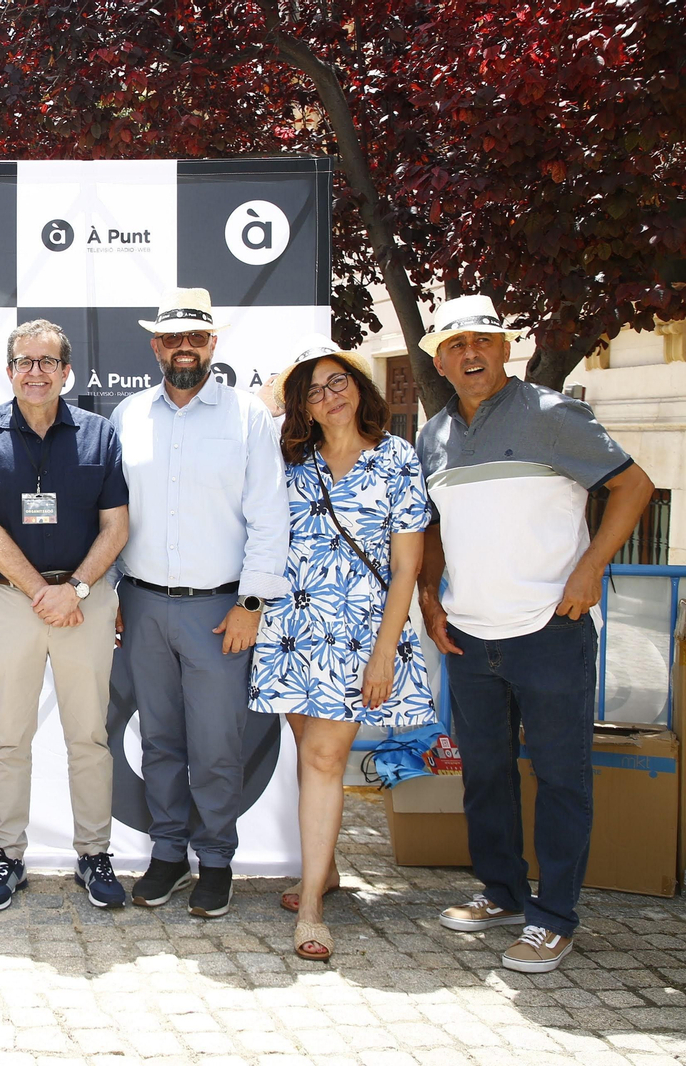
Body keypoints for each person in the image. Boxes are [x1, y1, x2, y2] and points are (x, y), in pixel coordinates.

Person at [417, 295, 654, 973]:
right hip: (469, 635)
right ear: (440, 361)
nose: (470, 354)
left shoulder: (553, 414)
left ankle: (554, 918)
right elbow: (432, 526)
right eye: (456, 345)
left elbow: (635, 487)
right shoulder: (432, 437)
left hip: (552, 628)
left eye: (482, 341)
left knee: (560, 778)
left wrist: (590, 568)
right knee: (485, 776)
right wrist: (430, 597)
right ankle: (502, 893)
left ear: (505, 348)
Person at [249, 335, 434, 961]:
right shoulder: (287, 459)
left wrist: (384, 653)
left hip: (359, 635)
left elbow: (406, 568)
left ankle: (311, 907)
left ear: (360, 387)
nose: (329, 396)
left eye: (339, 381)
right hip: (293, 629)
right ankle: (324, 869)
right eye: (313, 389)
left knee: (326, 758)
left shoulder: (397, 458)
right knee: (312, 755)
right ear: (300, 404)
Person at [112, 288, 290, 919]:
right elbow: (113, 515)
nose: (184, 347)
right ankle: (167, 854)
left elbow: (269, 515)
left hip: (221, 612)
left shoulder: (248, 417)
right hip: (142, 604)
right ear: (155, 346)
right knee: (159, 739)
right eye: (172, 338)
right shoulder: (128, 416)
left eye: (196, 337)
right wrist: (113, 592)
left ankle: (215, 860)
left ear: (213, 343)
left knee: (216, 743)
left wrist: (252, 602)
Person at [0, 320, 130, 911]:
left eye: (47, 361)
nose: (35, 372)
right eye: (24, 361)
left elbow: (116, 527)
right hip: (10, 600)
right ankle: (8, 856)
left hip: (85, 601)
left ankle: (94, 854)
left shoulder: (100, 435)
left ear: (66, 372)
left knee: (89, 736)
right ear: (9, 371)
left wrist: (73, 589)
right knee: (10, 737)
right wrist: (41, 592)